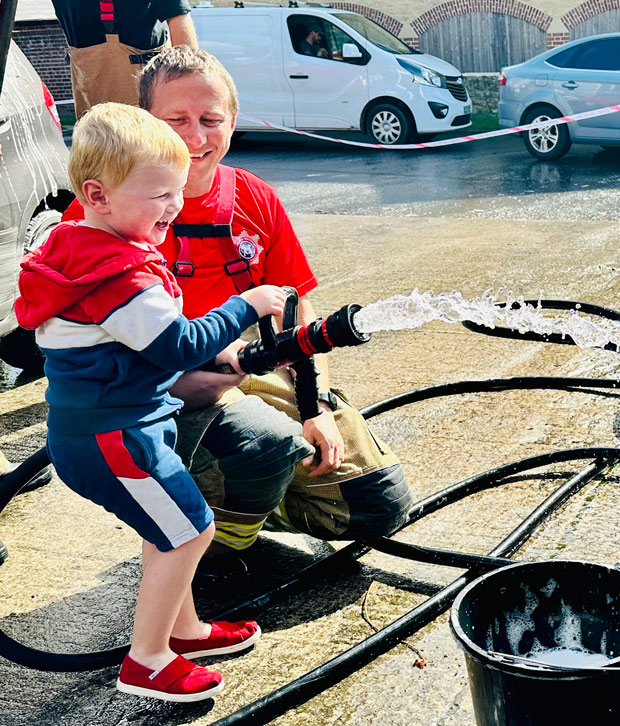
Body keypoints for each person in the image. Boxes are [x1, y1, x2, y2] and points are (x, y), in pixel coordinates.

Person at [65, 47, 413, 574]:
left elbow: (295, 307)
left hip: (243, 368)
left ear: (234, 120)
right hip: (145, 394)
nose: (196, 138)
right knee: (262, 445)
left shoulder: (255, 199)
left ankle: (240, 506)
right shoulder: (102, 209)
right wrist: (178, 384)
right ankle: (201, 549)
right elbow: (70, 337)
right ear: (145, 122)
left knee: (377, 504)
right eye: (174, 121)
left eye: (211, 120)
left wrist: (312, 404)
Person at [16, 103, 281, 700]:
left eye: (177, 192)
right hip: (116, 438)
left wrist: (219, 359)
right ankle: (149, 660)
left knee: (169, 527)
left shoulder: (81, 247)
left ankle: (183, 629)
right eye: (158, 194)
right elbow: (173, 344)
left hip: (113, 429)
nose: (174, 207)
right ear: (98, 195)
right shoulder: (117, 274)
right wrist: (248, 304)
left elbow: (140, 347)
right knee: (188, 532)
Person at [52, 0, 198, 117]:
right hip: (88, 83)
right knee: (99, 144)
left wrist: (188, 86)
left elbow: (178, 16)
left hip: (142, 83)